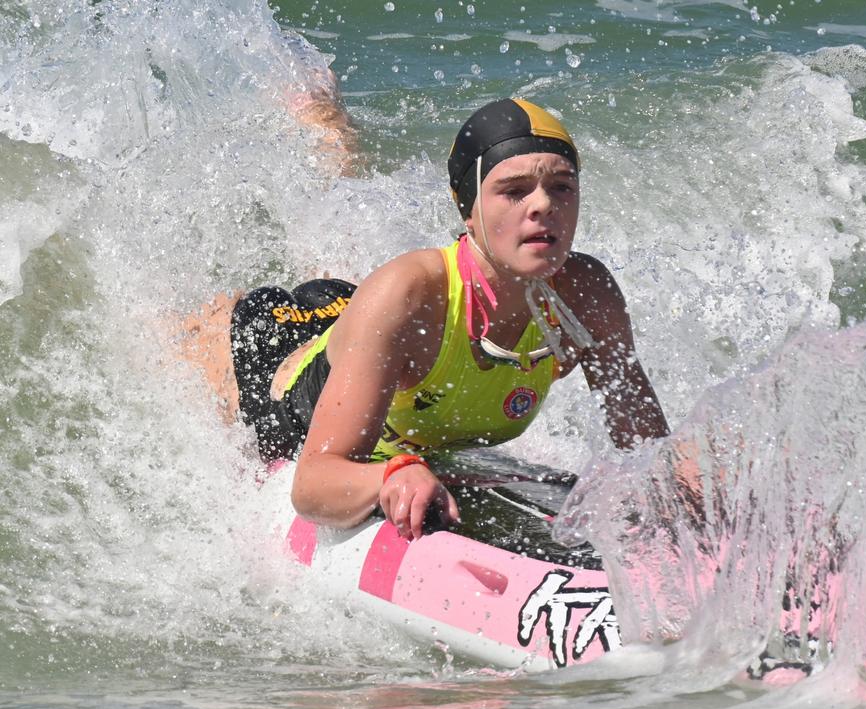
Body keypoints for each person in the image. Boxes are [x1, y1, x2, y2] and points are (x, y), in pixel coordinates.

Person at [192, 97, 670, 541]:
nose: (543, 204)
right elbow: (311, 485)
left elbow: (647, 454)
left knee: (345, 278)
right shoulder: (408, 295)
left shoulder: (586, 295)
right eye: (514, 190)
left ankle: (323, 118)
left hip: (362, 334)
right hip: (280, 373)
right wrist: (391, 474)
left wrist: (689, 489)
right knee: (183, 340)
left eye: (562, 187)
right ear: (468, 208)